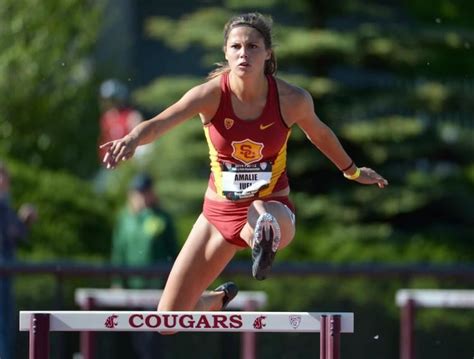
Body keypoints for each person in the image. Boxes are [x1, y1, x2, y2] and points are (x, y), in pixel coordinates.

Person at [100, 12, 388, 322]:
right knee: (168, 320)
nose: (243, 54)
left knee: (261, 211)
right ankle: (216, 299)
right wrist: (131, 139)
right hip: (217, 214)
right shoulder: (210, 95)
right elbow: (158, 124)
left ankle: (263, 236)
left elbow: (320, 134)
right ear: (225, 52)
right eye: (236, 47)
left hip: (274, 207)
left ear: (268, 54)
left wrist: (353, 171)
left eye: (252, 47)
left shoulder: (291, 99)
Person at [110, 172, 177, 358]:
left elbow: (174, 252)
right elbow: (119, 251)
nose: (141, 196)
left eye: (145, 192)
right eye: (137, 192)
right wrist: (117, 281)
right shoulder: (124, 219)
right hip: (130, 289)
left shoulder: (163, 218)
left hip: (156, 290)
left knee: (152, 340)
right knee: (130, 341)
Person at [0, 162, 37, 359]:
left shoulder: (4, 204)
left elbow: (14, 233)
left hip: (6, 274)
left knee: (6, 326)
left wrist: (24, 222)